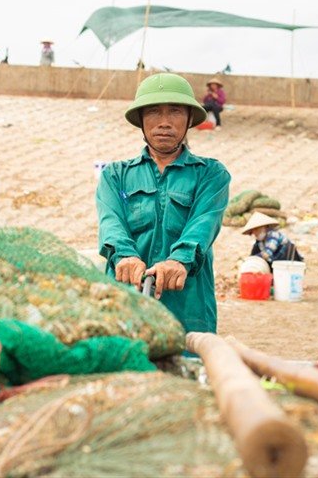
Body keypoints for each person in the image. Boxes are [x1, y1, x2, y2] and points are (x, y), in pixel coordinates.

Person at [96, 73, 231, 333]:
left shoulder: (211, 174)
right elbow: (111, 225)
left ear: (190, 119)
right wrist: (125, 257)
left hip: (188, 308)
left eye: (176, 112)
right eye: (154, 113)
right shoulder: (115, 175)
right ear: (141, 121)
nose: (165, 123)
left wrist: (179, 261)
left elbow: (203, 225)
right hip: (124, 305)